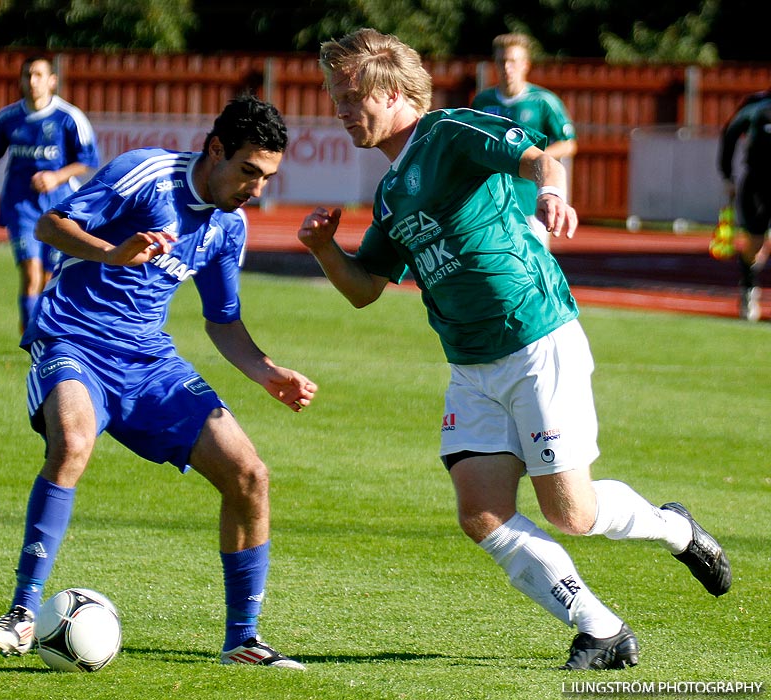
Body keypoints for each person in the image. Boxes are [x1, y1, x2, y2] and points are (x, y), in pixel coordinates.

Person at [298, 28, 731, 671]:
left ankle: (675, 528)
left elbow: (538, 160)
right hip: (470, 366)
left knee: (571, 514)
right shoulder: (390, 194)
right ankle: (601, 628)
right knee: (481, 513)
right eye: (335, 96)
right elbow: (365, 289)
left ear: (391, 92)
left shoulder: (449, 133)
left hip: (535, 340)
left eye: (347, 94)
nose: (338, 110)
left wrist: (552, 192)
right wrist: (324, 250)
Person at [0, 94, 316, 670]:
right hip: (74, 340)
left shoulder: (228, 228)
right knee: (73, 442)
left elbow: (222, 320)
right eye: (248, 172)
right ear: (216, 149)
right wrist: (114, 254)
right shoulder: (146, 173)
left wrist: (267, 373)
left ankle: (243, 640)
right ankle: (22, 613)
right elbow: (52, 224)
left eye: (267, 178)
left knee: (250, 475)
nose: (255, 190)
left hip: (150, 362)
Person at [0, 54, 100, 332]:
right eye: (27, 76)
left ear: (52, 81)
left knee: (47, 277)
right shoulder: (9, 118)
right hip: (21, 205)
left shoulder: (69, 117)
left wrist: (56, 176)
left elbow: (88, 160)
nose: (32, 82)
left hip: (59, 207)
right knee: (30, 273)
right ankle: (31, 339)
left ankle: (42, 332)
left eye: (38, 75)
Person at [471, 33, 576, 249]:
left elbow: (569, 143)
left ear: (525, 65)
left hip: (530, 195)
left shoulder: (543, 101)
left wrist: (535, 158)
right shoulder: (483, 101)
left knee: (534, 260)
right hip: (491, 197)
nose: (507, 67)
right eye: (502, 61)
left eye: (513, 61)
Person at [718, 88, 771, 322]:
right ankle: (749, 289)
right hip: (758, 182)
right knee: (755, 242)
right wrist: (727, 175)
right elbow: (730, 134)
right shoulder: (756, 106)